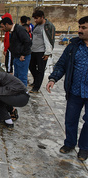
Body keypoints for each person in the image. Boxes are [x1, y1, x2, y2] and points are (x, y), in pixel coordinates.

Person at [46, 16, 88, 161]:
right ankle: (69, 143)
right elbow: (62, 64)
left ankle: (84, 148)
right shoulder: (73, 47)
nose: (79, 30)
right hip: (75, 90)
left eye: (83, 28)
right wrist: (53, 79)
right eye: (80, 27)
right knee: (70, 119)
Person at [0, 17, 32, 86]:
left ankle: (23, 94)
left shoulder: (19, 29)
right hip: (16, 57)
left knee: (22, 77)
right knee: (17, 77)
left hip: (22, 57)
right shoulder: (12, 31)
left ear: (7, 24)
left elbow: (28, 42)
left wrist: (23, 54)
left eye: (3, 27)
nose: (2, 29)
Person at [30, 10, 56, 93]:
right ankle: (36, 81)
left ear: (42, 17)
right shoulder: (37, 26)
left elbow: (50, 40)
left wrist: (48, 53)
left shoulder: (48, 26)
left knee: (41, 70)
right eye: (34, 19)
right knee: (31, 66)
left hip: (42, 51)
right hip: (33, 50)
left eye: (37, 18)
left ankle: (36, 88)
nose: (35, 20)